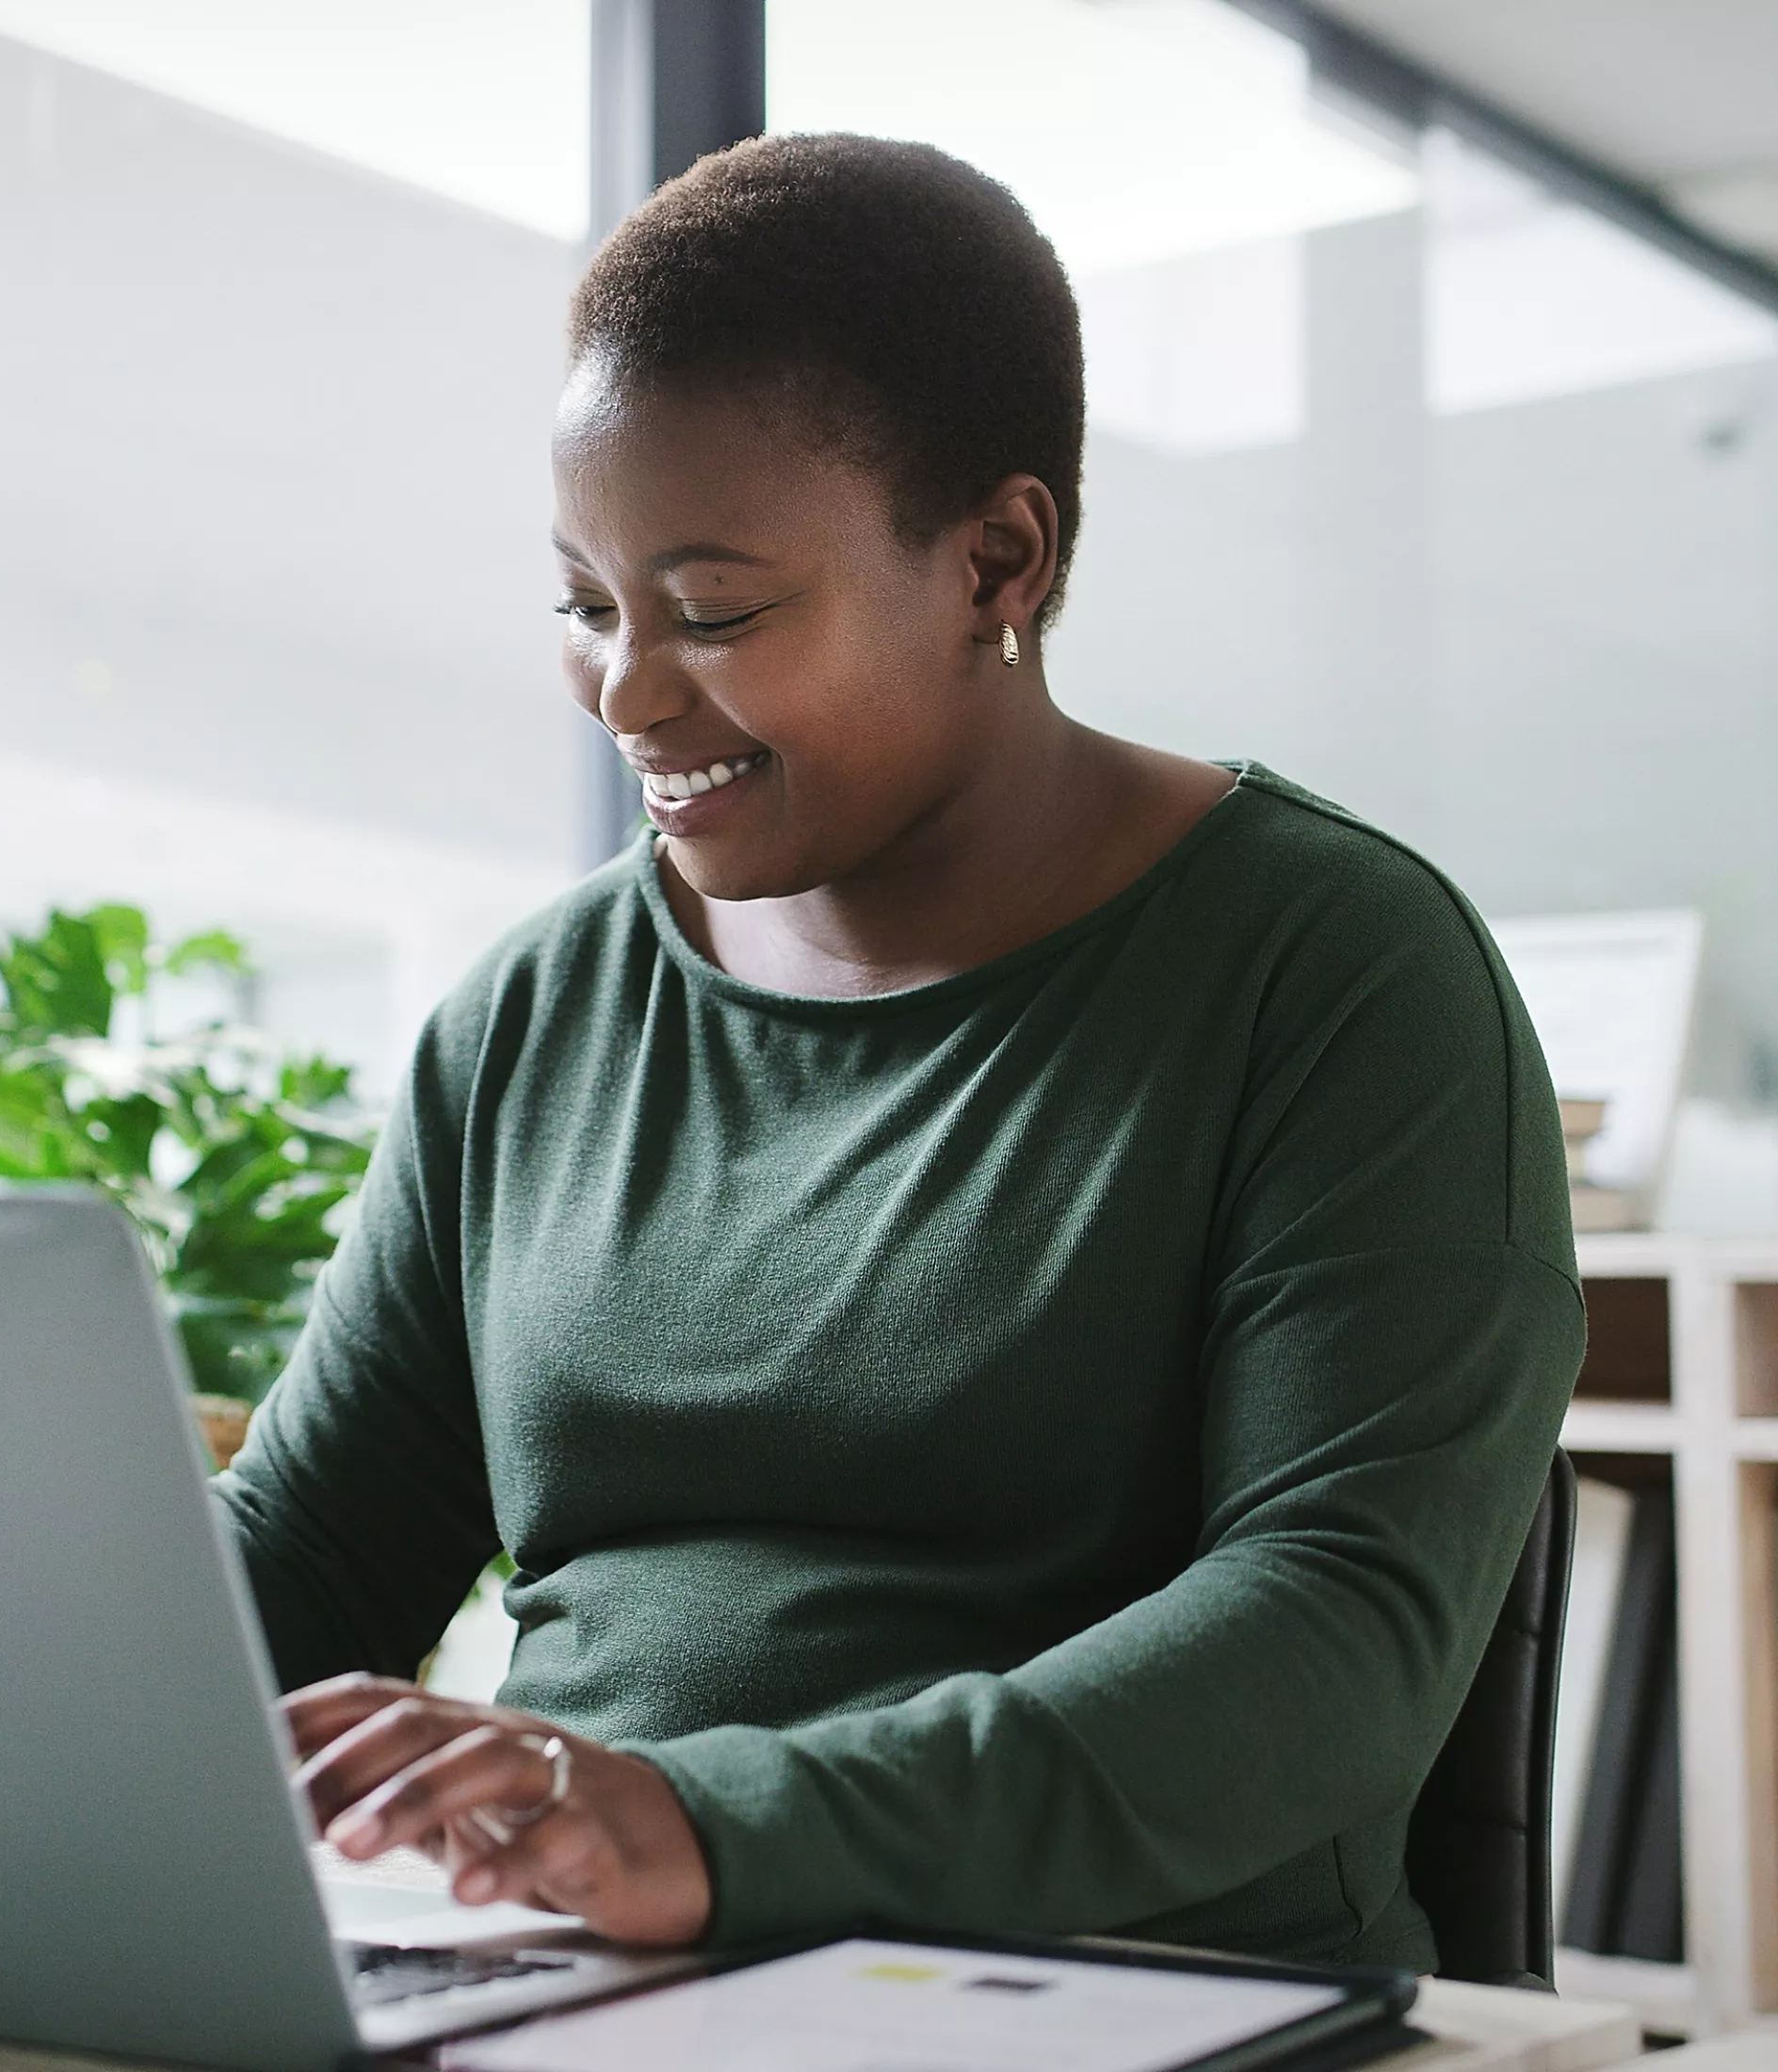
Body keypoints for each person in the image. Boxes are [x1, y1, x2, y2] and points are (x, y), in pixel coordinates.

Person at [215, 134, 1581, 1969]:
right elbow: (305, 1559)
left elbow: (1330, 1632)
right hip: (581, 1971)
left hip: (1108, 1985)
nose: (626, 688)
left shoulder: (1328, 970)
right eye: (583, 602)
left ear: (991, 559)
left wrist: (711, 1820)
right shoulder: (534, 1014)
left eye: (710, 611)